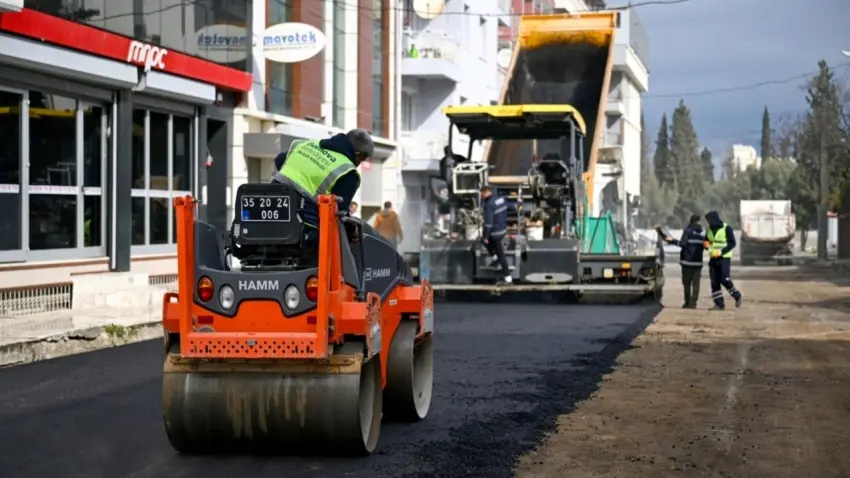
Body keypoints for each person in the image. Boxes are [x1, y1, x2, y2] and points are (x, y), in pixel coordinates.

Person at [271, 129, 374, 248]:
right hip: (305, 228)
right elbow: (339, 213)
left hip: (273, 208)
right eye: (362, 159)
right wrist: (353, 232)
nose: (359, 163)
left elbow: (279, 160)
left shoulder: (306, 144)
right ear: (357, 154)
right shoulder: (347, 172)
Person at [661, 214, 706, 309]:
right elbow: (706, 246)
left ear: (691, 221)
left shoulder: (687, 231)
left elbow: (682, 244)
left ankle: (687, 303)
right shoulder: (703, 232)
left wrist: (671, 241)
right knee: (696, 284)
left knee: (687, 284)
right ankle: (694, 303)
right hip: (698, 262)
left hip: (687, 262)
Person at [704, 210, 743, 310]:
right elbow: (706, 240)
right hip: (713, 258)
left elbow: (732, 243)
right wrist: (706, 244)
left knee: (724, 279)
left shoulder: (726, 228)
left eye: (709, 220)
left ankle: (737, 295)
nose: (708, 222)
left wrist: (722, 251)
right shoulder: (708, 229)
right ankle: (719, 304)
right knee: (714, 281)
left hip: (724, 258)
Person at [480, 185, 512, 285]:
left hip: (495, 233)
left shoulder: (489, 205)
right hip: (503, 230)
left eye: (482, 194)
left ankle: (508, 278)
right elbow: (511, 206)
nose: (481, 197)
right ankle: (495, 257)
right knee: (486, 241)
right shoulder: (500, 199)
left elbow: (489, 223)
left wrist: (486, 237)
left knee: (500, 254)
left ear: (485, 193)